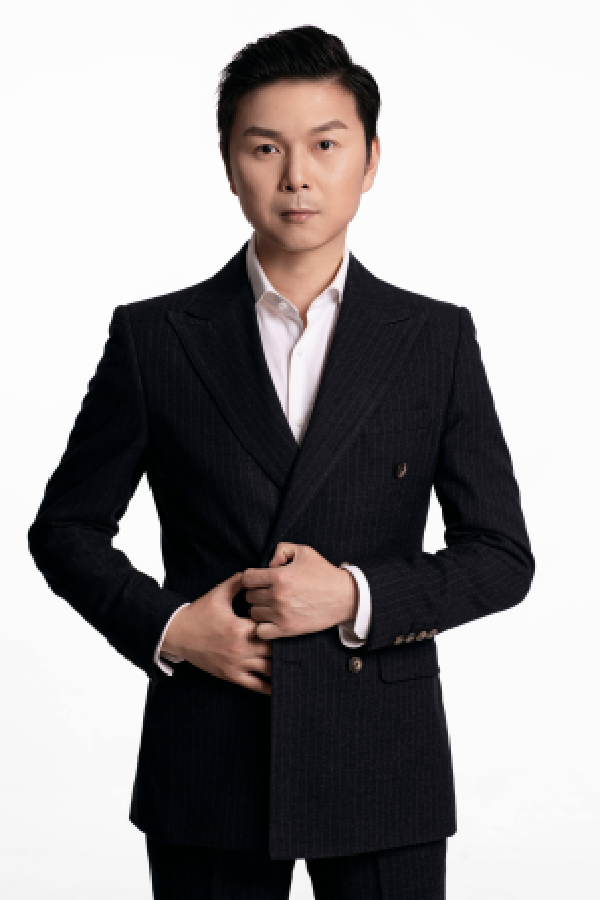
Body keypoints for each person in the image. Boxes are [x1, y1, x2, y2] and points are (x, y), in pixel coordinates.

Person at [27, 24, 534, 900]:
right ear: (230, 165)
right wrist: (172, 629)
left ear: (370, 161)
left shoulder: (434, 339)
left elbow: (500, 554)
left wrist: (356, 596)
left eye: (325, 145)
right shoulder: (155, 339)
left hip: (383, 757)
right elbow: (66, 529)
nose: (296, 175)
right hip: (210, 753)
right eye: (265, 147)